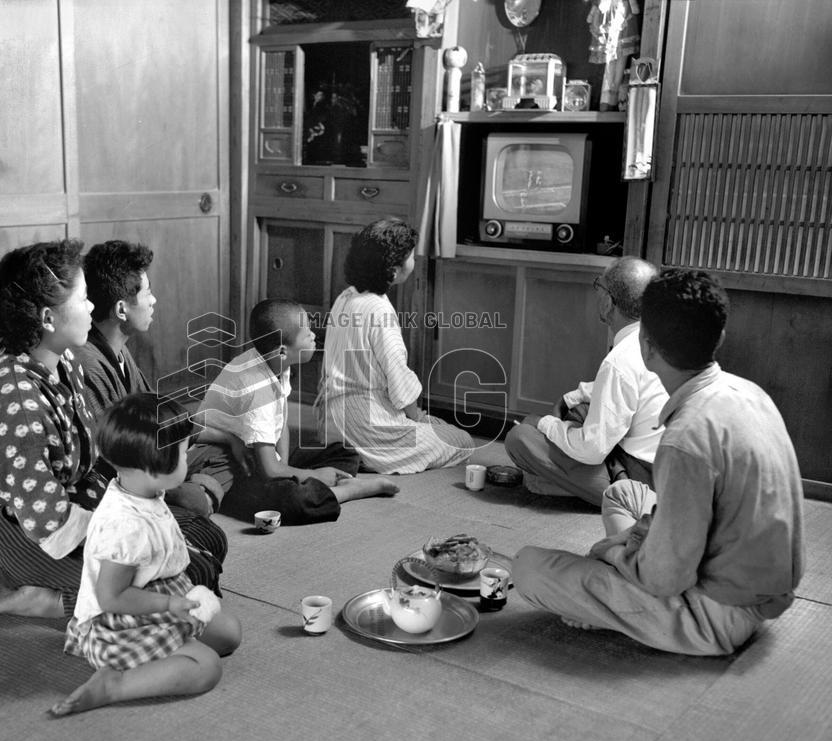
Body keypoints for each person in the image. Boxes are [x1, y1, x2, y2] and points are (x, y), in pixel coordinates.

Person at [512, 269, 804, 656]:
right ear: (719, 338)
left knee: (528, 567)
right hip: (757, 583)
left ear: (647, 347)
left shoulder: (684, 440)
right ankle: (614, 597)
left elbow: (665, 577)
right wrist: (633, 541)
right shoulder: (749, 392)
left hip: (716, 615)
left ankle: (619, 610)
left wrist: (613, 553)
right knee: (621, 494)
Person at [51, 393, 241, 717]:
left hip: (159, 595)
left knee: (228, 633)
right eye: (183, 455)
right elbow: (111, 597)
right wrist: (168, 605)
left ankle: (172, 647)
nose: (188, 459)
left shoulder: (143, 489)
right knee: (206, 667)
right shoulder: (125, 525)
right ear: (152, 467)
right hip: (122, 619)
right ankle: (115, 684)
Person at [75, 240, 238, 593]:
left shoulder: (119, 350)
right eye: (147, 293)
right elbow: (111, 460)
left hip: (151, 466)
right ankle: (204, 495)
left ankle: (205, 492)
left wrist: (225, 436)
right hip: (121, 489)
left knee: (222, 453)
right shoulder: (89, 364)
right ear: (121, 308)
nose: (153, 301)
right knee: (203, 533)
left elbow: (161, 421)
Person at [0, 239, 104, 618]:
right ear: (48, 319)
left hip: (70, 499)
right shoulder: (16, 401)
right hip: (20, 525)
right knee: (136, 582)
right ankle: (50, 601)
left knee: (185, 547)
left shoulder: (64, 360)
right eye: (84, 298)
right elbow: (41, 511)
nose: (91, 307)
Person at [198, 298, 399, 525]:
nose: (314, 336)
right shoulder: (257, 389)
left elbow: (281, 421)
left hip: (261, 454)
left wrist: (285, 466)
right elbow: (269, 471)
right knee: (294, 500)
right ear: (283, 351)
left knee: (344, 451)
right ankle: (346, 492)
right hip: (234, 467)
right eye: (307, 334)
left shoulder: (275, 362)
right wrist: (309, 474)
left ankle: (323, 482)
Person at [316, 218, 473, 474]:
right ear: (393, 269)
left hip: (331, 423)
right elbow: (398, 376)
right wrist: (418, 417)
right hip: (367, 425)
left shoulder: (346, 296)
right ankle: (369, 457)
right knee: (462, 442)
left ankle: (349, 452)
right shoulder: (379, 309)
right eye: (411, 256)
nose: (414, 261)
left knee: (437, 428)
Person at [505, 256, 666, 506]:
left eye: (598, 286)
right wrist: (575, 396)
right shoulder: (660, 338)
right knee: (578, 410)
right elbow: (634, 389)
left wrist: (544, 424)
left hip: (639, 479)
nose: (596, 294)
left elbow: (592, 449)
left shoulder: (620, 362)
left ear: (609, 301)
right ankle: (556, 482)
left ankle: (612, 497)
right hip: (669, 470)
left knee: (521, 437)